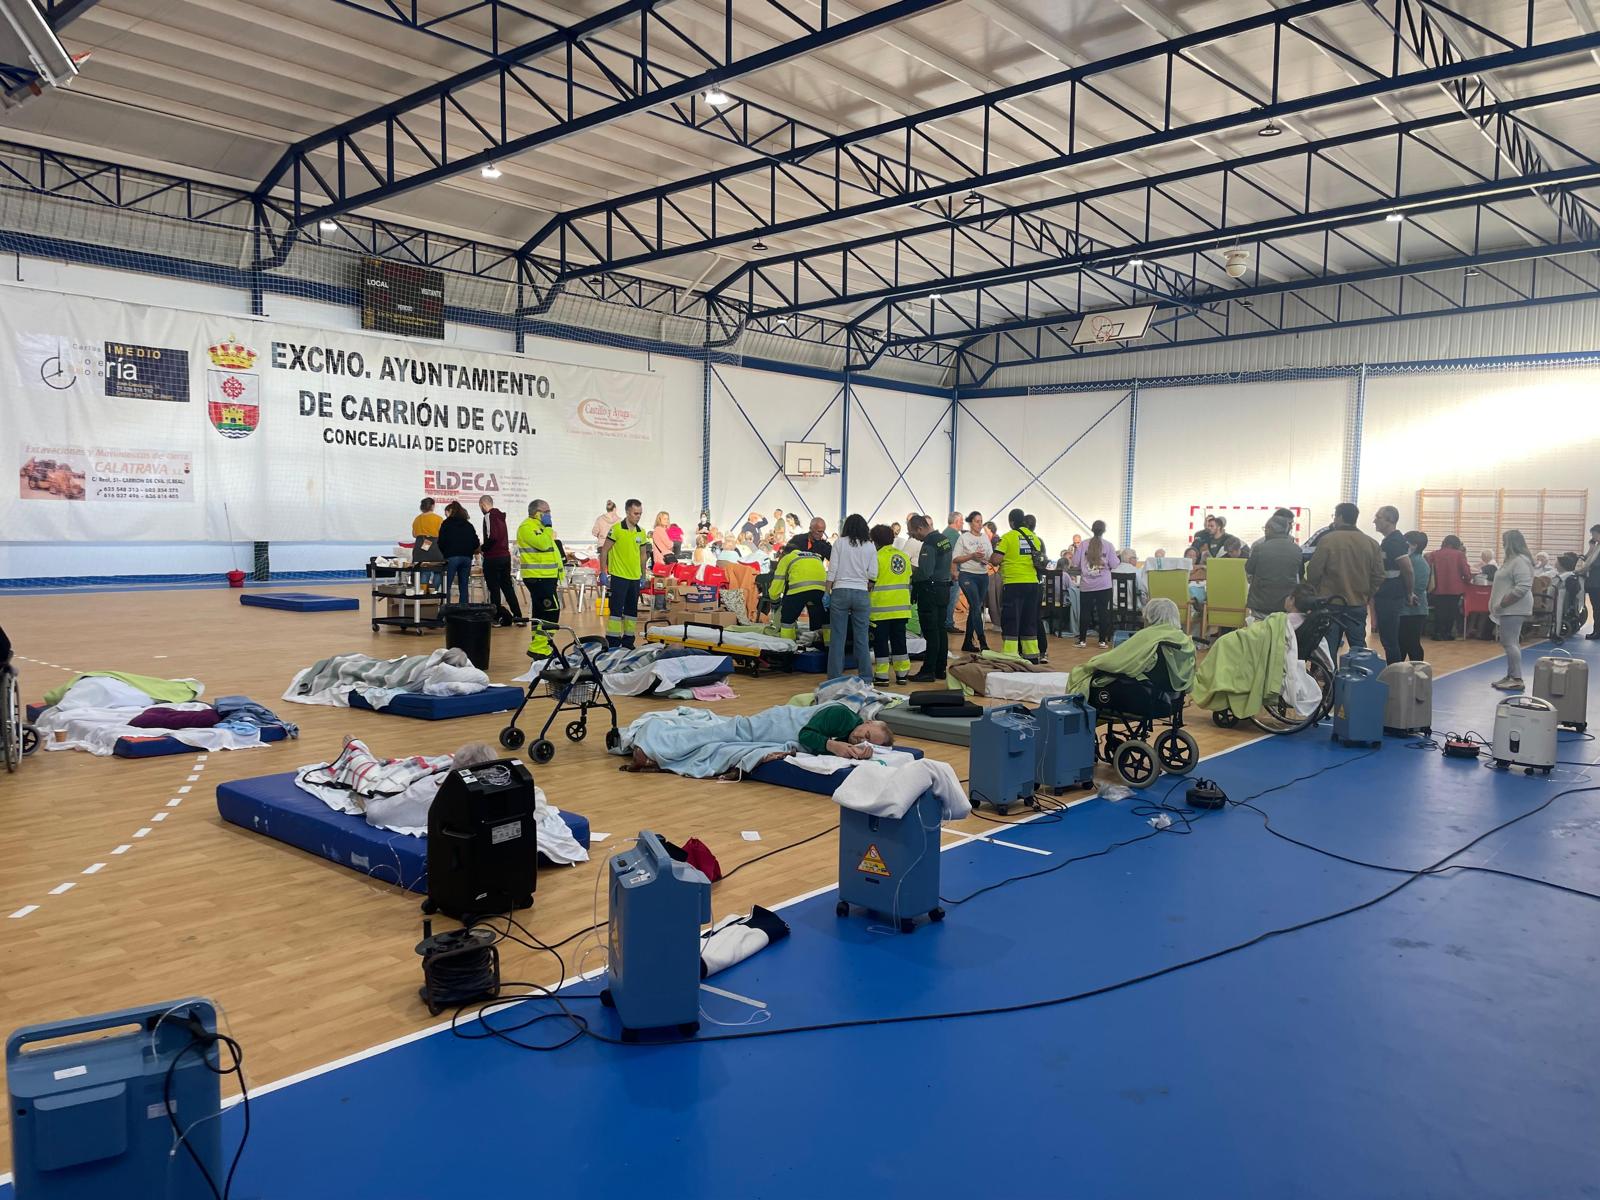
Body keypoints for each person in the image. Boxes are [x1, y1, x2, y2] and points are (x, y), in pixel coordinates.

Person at [1306, 502, 1384, 659]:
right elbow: (1379, 575)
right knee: (1358, 647)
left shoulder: (1328, 540)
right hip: (1357, 603)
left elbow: (1314, 571)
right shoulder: (1371, 543)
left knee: (1328, 648)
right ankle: (1360, 679)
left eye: (1335, 516)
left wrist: (1314, 593)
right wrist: (1367, 594)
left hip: (1330, 603)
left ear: (1340, 517)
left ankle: (1329, 681)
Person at [826, 514, 877, 682]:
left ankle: (834, 676)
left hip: (840, 591)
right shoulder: (870, 546)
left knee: (838, 637)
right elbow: (873, 573)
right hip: (861, 592)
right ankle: (866, 677)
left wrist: (827, 591)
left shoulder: (839, 543)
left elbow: (832, 569)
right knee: (861, 637)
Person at [991, 508, 1046, 661]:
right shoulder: (1034, 538)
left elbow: (995, 560)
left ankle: (1010, 655)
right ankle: (1032, 656)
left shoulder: (1008, 537)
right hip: (1033, 584)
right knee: (1029, 620)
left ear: (1011, 522)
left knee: (1011, 619)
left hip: (1014, 583)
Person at [907, 514, 953, 682]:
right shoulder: (944, 539)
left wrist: (911, 571)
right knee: (941, 630)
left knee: (931, 632)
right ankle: (940, 669)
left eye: (913, 533)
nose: (914, 537)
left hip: (930, 590)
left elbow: (925, 572)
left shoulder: (929, 543)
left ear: (920, 528)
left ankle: (928, 670)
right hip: (944, 588)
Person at [514, 498, 562, 657]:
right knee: (552, 610)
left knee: (540, 613)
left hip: (547, 577)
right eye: (546, 511)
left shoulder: (540, 527)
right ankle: (539, 647)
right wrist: (548, 528)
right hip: (538, 577)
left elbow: (551, 551)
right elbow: (542, 544)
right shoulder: (527, 527)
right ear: (536, 513)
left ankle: (540, 645)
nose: (549, 515)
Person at [1489, 529, 1534, 691]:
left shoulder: (1520, 561)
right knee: (1509, 642)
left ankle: (1516, 678)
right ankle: (1511, 675)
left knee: (1510, 643)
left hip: (1513, 608)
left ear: (1511, 543)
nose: (1502, 544)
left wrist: (1503, 603)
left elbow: (1523, 586)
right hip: (1509, 609)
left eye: (1504, 541)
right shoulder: (1511, 560)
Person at [868, 524, 914, 685]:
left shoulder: (876, 557)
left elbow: (870, 582)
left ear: (874, 540)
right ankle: (902, 674)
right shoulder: (903, 556)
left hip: (881, 609)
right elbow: (908, 578)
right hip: (901, 608)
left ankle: (882, 675)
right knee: (899, 641)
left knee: (880, 642)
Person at [1369, 505, 1415, 665]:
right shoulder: (1388, 541)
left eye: (1378, 517)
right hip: (1387, 595)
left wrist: (1410, 593)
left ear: (1390, 520)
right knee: (1388, 639)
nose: (1374, 521)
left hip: (1390, 596)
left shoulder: (1394, 542)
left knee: (1390, 641)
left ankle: (1394, 676)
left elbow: (1407, 569)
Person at [603, 499, 652, 648]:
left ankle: (628, 641)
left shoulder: (641, 532)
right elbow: (605, 550)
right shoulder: (616, 529)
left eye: (640, 514)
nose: (638, 516)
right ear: (627, 512)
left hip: (635, 577)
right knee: (616, 611)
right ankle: (613, 641)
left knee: (631, 611)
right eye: (635, 513)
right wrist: (603, 572)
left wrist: (643, 575)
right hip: (619, 576)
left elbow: (643, 555)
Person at [1246, 507, 1303, 619]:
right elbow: (1299, 574)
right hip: (1286, 602)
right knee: (1282, 633)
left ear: (1269, 529)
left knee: (1260, 632)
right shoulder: (1296, 549)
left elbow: (1249, 571)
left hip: (1261, 601)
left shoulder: (1259, 547)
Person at [767, 538, 827, 644]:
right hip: (820, 590)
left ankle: (787, 645)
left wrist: (775, 601)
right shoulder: (815, 556)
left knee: (787, 619)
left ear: (784, 553)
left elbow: (776, 585)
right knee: (819, 619)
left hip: (799, 591)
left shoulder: (787, 558)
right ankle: (819, 644)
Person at [477, 495, 526, 627]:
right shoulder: (501, 517)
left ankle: (497, 618)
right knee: (507, 587)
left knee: (494, 588)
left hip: (493, 557)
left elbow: (491, 537)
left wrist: (482, 548)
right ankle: (518, 617)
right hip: (505, 556)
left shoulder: (488, 516)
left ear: (483, 504)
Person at [1072, 519, 1119, 649]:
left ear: (1092, 529)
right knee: (1103, 612)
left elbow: (1075, 562)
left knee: (1085, 612)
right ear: (1104, 531)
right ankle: (1102, 641)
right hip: (1104, 584)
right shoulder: (1108, 545)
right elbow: (1115, 564)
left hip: (1086, 584)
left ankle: (1082, 640)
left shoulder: (1082, 545)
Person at [953, 511, 992, 652]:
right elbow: (955, 558)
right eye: (977, 521)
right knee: (976, 605)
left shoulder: (985, 538)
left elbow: (990, 555)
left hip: (983, 575)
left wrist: (985, 560)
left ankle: (967, 642)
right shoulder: (964, 538)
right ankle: (983, 641)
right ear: (971, 523)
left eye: (981, 521)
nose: (980, 524)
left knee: (975, 608)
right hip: (968, 575)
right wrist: (972, 555)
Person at [1427, 534, 1472, 640]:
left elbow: (1428, 567)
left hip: (1438, 587)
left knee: (1439, 611)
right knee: (1451, 611)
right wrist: (1467, 580)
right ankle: (1447, 633)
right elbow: (1466, 572)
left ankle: (1438, 633)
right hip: (1455, 589)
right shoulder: (1459, 554)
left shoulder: (1434, 554)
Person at [436, 501, 479, 606]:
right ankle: (463, 612)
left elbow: (440, 541)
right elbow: (476, 543)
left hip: (451, 557)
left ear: (451, 511)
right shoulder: (469, 525)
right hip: (467, 558)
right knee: (463, 586)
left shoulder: (446, 523)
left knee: (447, 585)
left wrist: (445, 553)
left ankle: (446, 611)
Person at [1398, 531, 1430, 663]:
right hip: (1406, 610)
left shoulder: (1419, 562)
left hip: (1414, 610)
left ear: (1415, 545)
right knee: (1403, 644)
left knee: (1412, 644)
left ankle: (1418, 673)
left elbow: (1419, 587)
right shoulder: (1410, 560)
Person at [411, 497, 444, 592]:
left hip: (420, 548)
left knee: (424, 572)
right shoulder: (438, 519)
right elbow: (442, 534)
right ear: (432, 506)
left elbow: (414, 534)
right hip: (435, 548)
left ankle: (422, 594)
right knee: (438, 571)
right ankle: (433, 593)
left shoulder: (417, 519)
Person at [943, 511, 965, 631]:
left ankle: (946, 622)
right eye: (961, 521)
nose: (962, 524)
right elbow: (952, 555)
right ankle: (948, 623)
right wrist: (955, 572)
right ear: (956, 521)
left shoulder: (945, 533)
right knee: (952, 599)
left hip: (944, 573)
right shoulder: (954, 536)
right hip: (952, 574)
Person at [1581, 525, 1600, 640]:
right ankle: (1597, 630)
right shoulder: (1597, 547)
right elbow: (1587, 559)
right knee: (1596, 608)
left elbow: (1593, 564)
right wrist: (1591, 547)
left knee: (1597, 608)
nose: (1592, 537)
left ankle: (1597, 632)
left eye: (1593, 534)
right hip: (1594, 582)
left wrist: (1583, 569)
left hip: (1597, 582)